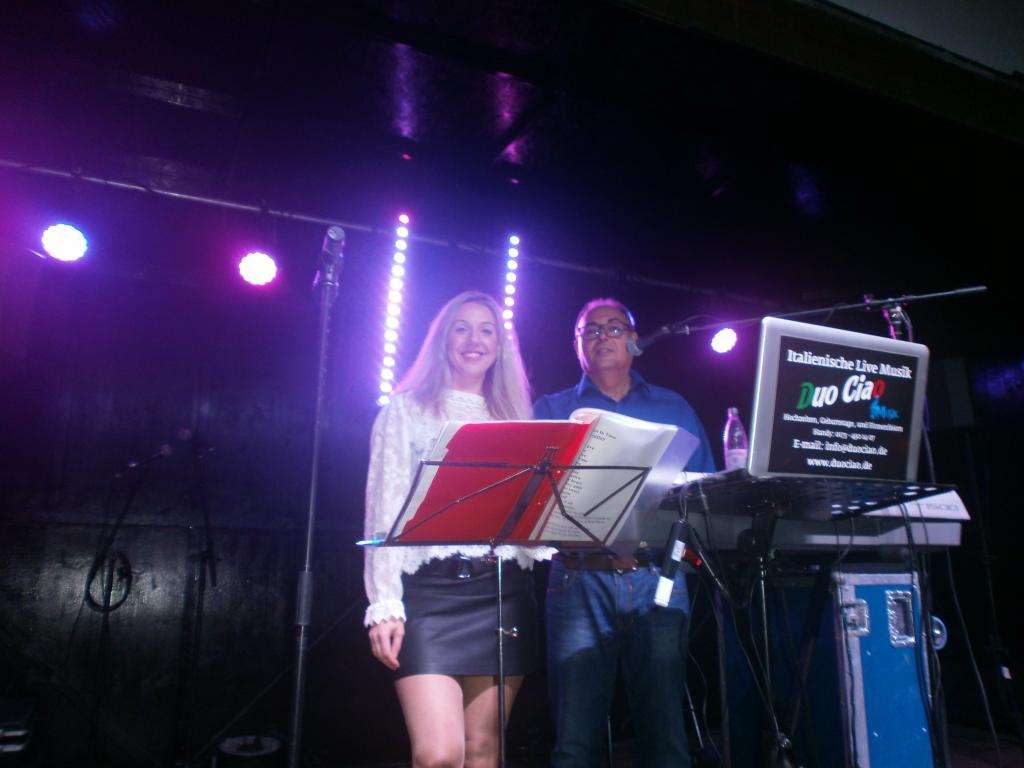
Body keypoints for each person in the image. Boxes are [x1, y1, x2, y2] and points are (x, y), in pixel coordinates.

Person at [363, 290, 549, 768]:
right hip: (430, 594)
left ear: (501, 346)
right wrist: (384, 603)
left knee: (484, 750)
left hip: (502, 591)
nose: (473, 340)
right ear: (442, 339)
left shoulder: (516, 418)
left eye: (487, 330)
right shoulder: (405, 409)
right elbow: (384, 511)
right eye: (461, 328)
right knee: (439, 754)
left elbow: (528, 519)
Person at [533, 297, 716, 768]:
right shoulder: (552, 409)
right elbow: (531, 500)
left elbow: (706, 493)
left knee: (666, 740)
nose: (602, 336)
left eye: (614, 327)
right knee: (574, 742)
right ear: (576, 345)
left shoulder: (674, 407)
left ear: (635, 341)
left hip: (658, 577)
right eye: (590, 330)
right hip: (578, 579)